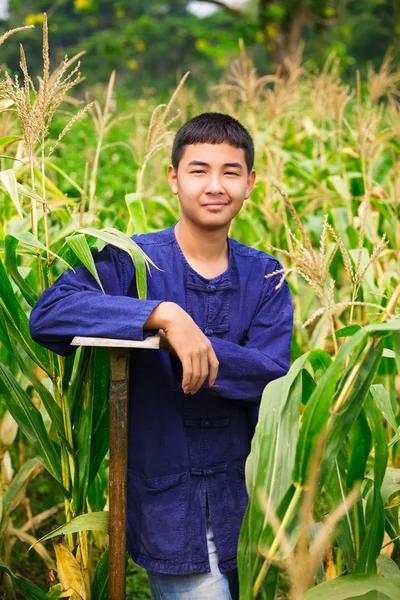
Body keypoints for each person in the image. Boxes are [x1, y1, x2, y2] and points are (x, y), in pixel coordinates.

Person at [29, 112, 294, 600]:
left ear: (251, 183)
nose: (215, 185)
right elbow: (49, 314)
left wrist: (199, 350)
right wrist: (162, 315)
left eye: (230, 172)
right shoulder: (129, 262)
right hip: (169, 507)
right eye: (199, 170)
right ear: (173, 178)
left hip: (252, 508)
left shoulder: (266, 277)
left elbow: (273, 373)